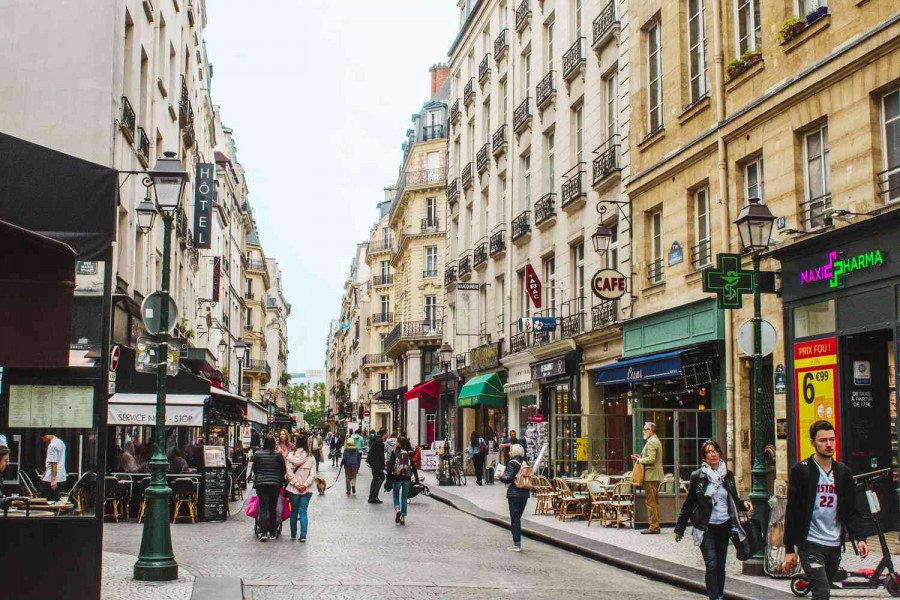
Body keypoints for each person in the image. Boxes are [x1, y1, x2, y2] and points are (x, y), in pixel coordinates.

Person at [782, 420, 868, 599]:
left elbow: (851, 509)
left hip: (834, 544)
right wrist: (789, 548)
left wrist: (860, 538)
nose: (829, 444)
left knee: (824, 588)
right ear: (813, 442)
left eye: (832, 439)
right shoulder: (802, 471)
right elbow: (792, 511)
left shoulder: (843, 472)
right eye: (823, 440)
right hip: (810, 543)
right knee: (822, 592)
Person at [674, 440, 753, 600]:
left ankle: (720, 595)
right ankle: (714, 598)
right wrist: (680, 528)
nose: (713, 454)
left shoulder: (727, 476)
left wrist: (743, 504)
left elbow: (733, 499)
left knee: (720, 566)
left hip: (724, 527)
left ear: (720, 454)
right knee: (711, 565)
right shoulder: (698, 476)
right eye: (709, 452)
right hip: (705, 527)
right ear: (704, 457)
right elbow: (689, 503)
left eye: (715, 450)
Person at [251, 434, 286, 542]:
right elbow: (283, 471)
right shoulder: (278, 455)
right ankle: (272, 531)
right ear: (274, 444)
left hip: (261, 484)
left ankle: (263, 531)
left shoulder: (258, 454)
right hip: (275, 484)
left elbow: (255, 470)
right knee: (272, 507)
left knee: (263, 507)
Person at [631, 422, 663, 534]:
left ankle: (653, 527)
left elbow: (651, 459)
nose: (643, 431)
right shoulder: (654, 440)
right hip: (654, 475)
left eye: (645, 429)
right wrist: (641, 457)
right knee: (654, 502)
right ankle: (655, 525)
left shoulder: (652, 442)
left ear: (650, 430)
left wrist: (639, 460)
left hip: (651, 476)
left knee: (651, 503)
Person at [499, 443, 530, 552]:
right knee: (518, 517)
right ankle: (517, 542)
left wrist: (501, 477)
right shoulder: (525, 463)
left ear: (514, 452)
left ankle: (516, 544)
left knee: (515, 518)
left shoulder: (512, 463)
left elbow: (509, 477)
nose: (509, 452)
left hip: (514, 493)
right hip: (525, 493)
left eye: (510, 450)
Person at [285, 433, 315, 542]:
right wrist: (305, 485)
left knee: (294, 511)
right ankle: (303, 535)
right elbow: (313, 475)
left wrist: (296, 485)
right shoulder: (311, 458)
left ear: (296, 442)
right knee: (303, 512)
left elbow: (289, 474)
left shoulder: (290, 457)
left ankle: (293, 533)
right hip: (306, 490)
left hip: (293, 489)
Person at [387, 436, 415, 525]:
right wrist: (416, 478)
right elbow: (413, 466)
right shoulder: (408, 453)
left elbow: (390, 465)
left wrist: (388, 478)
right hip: (407, 478)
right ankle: (403, 517)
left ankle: (397, 509)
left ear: (399, 443)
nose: (396, 443)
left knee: (395, 495)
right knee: (404, 497)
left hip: (397, 477)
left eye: (397, 442)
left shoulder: (394, 452)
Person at [41, 433, 66, 502]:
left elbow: (54, 463)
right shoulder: (61, 442)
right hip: (61, 476)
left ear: (47, 435)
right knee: (55, 499)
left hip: (51, 478)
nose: (43, 440)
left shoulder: (52, 445)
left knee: (44, 499)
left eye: (43, 438)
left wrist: (53, 480)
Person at [367, 429, 387, 504]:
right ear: (384, 434)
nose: (387, 436)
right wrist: (383, 464)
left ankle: (372, 496)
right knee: (382, 477)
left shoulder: (377, 440)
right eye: (386, 434)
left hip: (373, 462)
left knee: (375, 478)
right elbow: (380, 455)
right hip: (376, 463)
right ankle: (374, 496)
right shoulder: (380, 442)